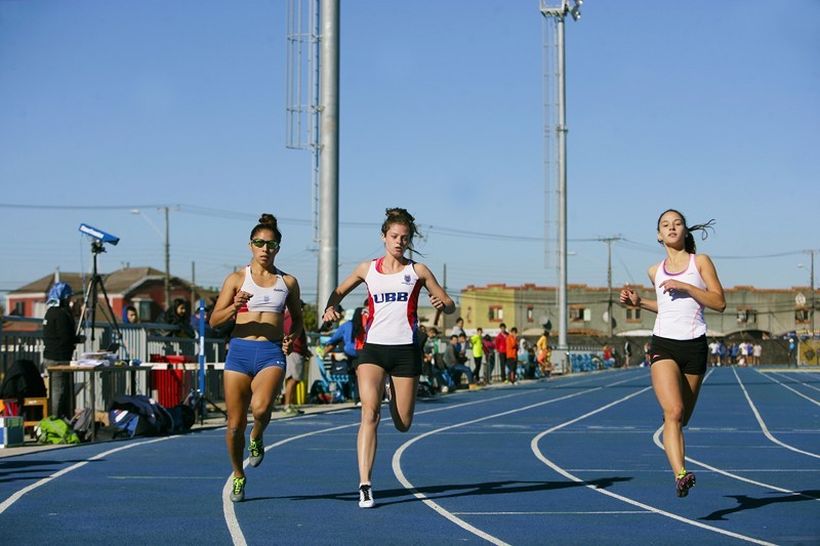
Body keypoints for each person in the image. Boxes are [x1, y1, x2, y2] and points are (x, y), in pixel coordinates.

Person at [321, 207, 455, 509]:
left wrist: (443, 303)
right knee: (369, 413)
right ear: (384, 237)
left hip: (405, 352)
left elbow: (449, 305)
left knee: (403, 424)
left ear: (409, 240)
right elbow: (338, 291)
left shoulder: (418, 271)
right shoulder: (367, 269)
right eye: (394, 236)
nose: (399, 241)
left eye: (404, 237)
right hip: (373, 351)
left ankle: (393, 390)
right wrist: (331, 307)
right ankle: (365, 485)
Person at [620, 209, 725, 498]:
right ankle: (680, 474)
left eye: (677, 223)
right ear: (658, 234)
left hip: (694, 346)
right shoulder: (655, 271)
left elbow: (719, 302)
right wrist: (640, 302)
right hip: (663, 344)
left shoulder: (700, 262)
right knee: (673, 411)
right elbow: (666, 307)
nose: (671, 227)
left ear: (685, 231)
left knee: (682, 419)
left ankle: (673, 442)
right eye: (665, 225)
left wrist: (687, 286)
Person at [209, 213, 304, 503]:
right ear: (251, 245)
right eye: (259, 243)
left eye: (271, 244)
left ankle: (257, 435)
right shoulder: (237, 279)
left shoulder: (287, 282)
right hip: (239, 352)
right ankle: (238, 474)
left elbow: (298, 320)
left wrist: (290, 337)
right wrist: (234, 307)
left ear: (278, 247)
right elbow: (215, 321)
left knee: (261, 409)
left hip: (270, 353)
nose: (265, 248)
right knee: (234, 423)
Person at [42, 282, 85, 418]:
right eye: (68, 297)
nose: (70, 300)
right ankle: (55, 420)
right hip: (59, 358)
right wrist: (78, 339)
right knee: (59, 391)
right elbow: (66, 337)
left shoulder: (50, 312)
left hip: (50, 356)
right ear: (63, 297)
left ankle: (61, 418)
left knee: (58, 389)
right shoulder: (61, 314)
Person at [283, 300, 310, 415]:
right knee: (292, 379)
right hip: (294, 351)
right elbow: (294, 336)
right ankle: (288, 405)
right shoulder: (291, 318)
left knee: (293, 379)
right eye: (301, 307)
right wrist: (303, 349)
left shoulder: (287, 317)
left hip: (295, 350)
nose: (302, 310)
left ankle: (290, 404)